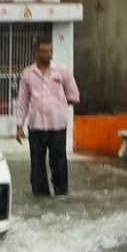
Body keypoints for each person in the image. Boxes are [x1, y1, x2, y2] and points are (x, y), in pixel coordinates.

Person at [15, 40, 81, 197]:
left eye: (50, 51)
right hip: (36, 126)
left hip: (57, 125)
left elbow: (74, 95)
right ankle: (40, 194)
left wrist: (59, 104)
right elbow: (22, 101)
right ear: (36, 52)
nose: (48, 54)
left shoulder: (61, 71)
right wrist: (19, 126)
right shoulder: (27, 74)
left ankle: (61, 192)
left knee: (58, 160)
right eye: (44, 51)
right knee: (37, 161)